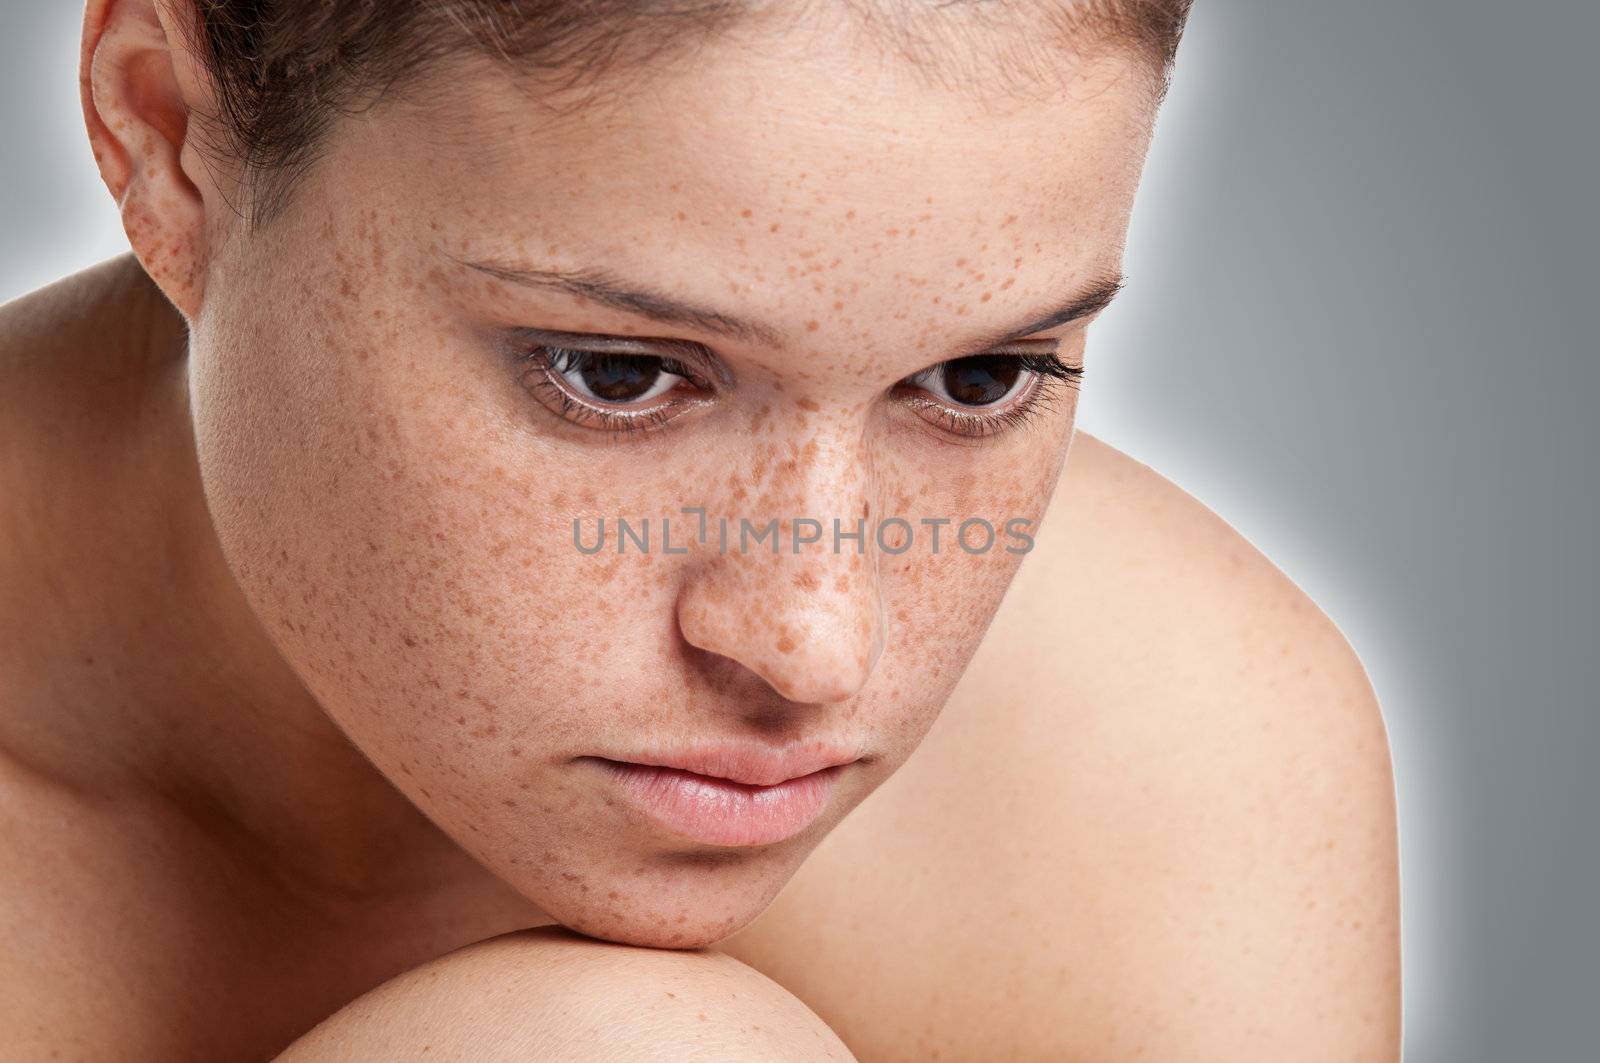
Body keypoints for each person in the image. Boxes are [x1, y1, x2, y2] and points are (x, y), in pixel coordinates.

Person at [0, 0, 1401, 1058]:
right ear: (166, 136)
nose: (815, 645)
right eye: (617, 376)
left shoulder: (1169, 771)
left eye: (981, 379)